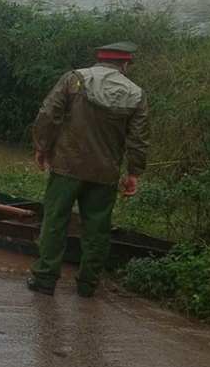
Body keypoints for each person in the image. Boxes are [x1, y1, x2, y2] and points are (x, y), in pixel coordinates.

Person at [27, 41, 150, 298]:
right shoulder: (136, 94)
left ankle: (45, 279)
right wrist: (134, 173)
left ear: (99, 60)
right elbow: (138, 139)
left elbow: (48, 113)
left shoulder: (74, 80)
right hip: (105, 173)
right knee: (97, 229)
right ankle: (87, 285)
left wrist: (42, 146)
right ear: (125, 64)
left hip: (66, 166)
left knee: (55, 221)